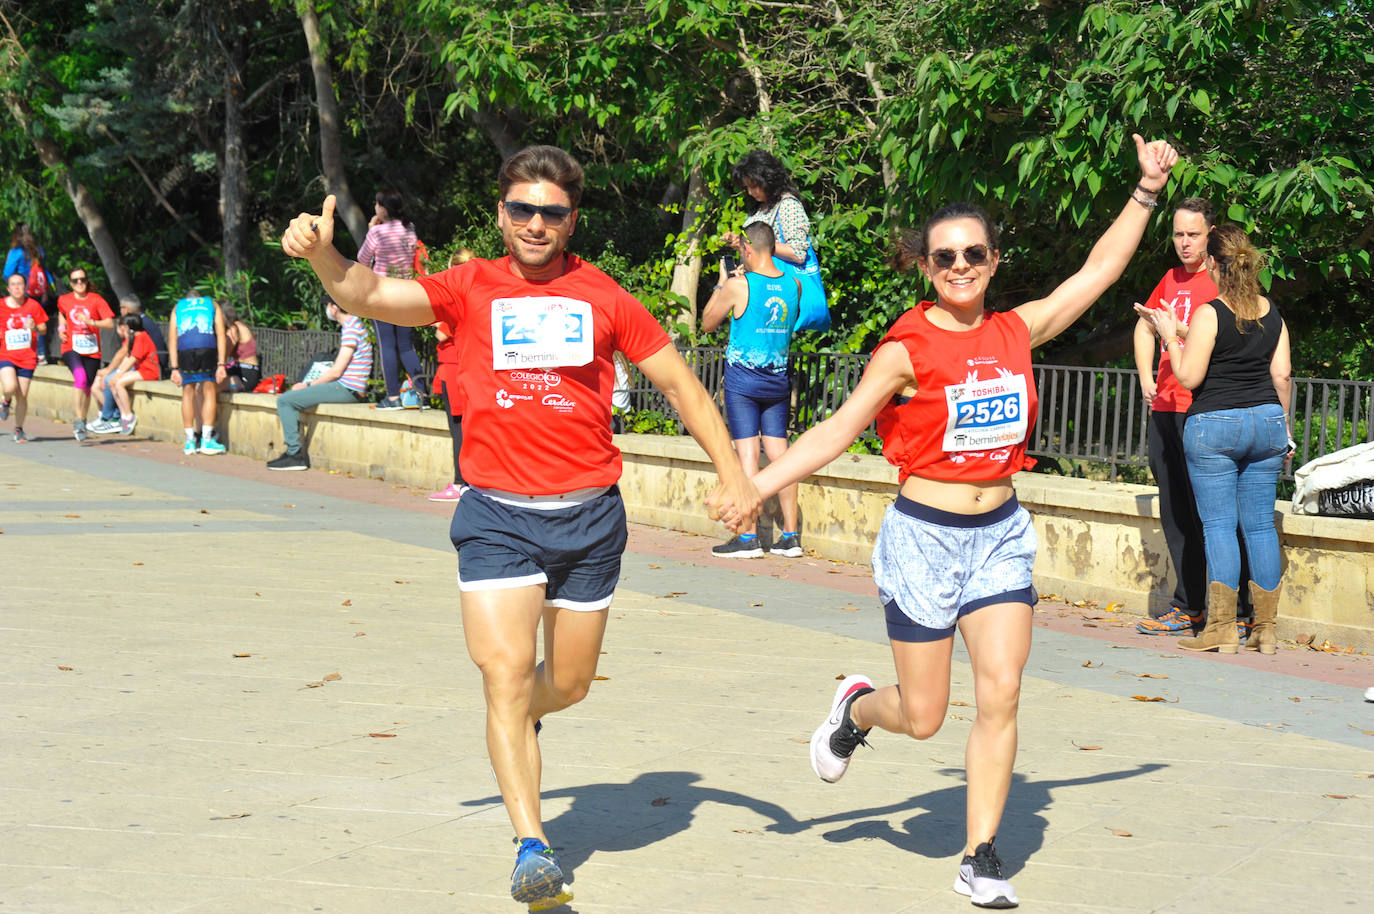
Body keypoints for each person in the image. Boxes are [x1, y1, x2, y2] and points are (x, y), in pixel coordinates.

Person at [280, 144, 760, 911]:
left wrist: (734, 474)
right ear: (502, 213)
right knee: (505, 676)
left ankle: (517, 721)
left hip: (591, 519)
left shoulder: (604, 295)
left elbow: (678, 383)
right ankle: (533, 845)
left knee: (565, 685)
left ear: (571, 221)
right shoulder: (468, 287)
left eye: (552, 213)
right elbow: (366, 291)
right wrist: (322, 252)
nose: (536, 225)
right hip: (498, 516)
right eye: (522, 210)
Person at [748, 135, 1177, 910]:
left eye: (972, 253)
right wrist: (757, 487)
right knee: (923, 716)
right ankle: (852, 712)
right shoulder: (905, 348)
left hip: (1000, 539)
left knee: (1002, 695)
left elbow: (1101, 271)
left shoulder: (1018, 330)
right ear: (925, 266)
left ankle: (979, 855)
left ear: (993, 260)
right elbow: (837, 429)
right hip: (924, 540)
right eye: (944, 257)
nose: (959, 267)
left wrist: (1146, 191)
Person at [1134, 224, 1291, 655]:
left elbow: (1188, 375)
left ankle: (1221, 629)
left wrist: (1169, 334)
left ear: (1214, 265)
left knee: (1219, 526)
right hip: (1267, 422)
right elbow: (1282, 375)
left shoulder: (1210, 311)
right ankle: (1266, 630)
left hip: (1216, 425)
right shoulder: (1270, 310)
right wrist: (1286, 430)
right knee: (1259, 526)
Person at [1132, 199, 1256, 637]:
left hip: (1203, 411)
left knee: (1219, 517)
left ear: (1210, 235)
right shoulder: (1169, 279)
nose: (1185, 243)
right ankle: (1190, 606)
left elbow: (1228, 341)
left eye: (1193, 235)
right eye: (1178, 235)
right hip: (1165, 409)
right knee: (1177, 514)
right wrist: (1146, 375)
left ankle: (1239, 611)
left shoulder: (1223, 282)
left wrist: (1177, 332)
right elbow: (1144, 323)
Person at [702, 221, 804, 558]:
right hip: (777, 379)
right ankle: (790, 536)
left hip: (743, 382)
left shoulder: (738, 285)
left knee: (748, 456)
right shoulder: (795, 285)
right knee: (782, 457)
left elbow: (707, 322)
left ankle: (747, 537)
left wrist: (721, 283)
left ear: (746, 249)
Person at [264, 294, 373, 471]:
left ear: (334, 307)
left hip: (347, 388)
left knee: (285, 400)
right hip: (348, 387)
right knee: (293, 398)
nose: (327, 310)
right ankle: (294, 452)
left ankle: (295, 454)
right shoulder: (355, 325)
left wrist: (307, 385)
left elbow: (336, 371)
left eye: (328, 305)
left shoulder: (352, 328)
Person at [725, 149, 826, 324]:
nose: (750, 192)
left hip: (780, 300)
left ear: (768, 180)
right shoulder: (760, 207)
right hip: (761, 297)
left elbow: (798, 253)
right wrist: (741, 244)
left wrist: (758, 246)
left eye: (754, 186)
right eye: (747, 187)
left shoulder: (787, 205)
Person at [357, 189, 426, 409]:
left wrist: (370, 230)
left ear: (383, 208)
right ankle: (422, 395)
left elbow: (362, 260)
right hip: (405, 293)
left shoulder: (377, 233)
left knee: (387, 345)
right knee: (406, 345)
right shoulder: (409, 228)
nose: (374, 208)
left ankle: (393, 397)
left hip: (382, 294)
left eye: (376, 204)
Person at [428, 248, 474, 502]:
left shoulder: (458, 297)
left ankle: (459, 482)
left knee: (458, 429)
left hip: (453, 367)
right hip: (462, 365)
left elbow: (442, 333)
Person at [55, 266, 116, 441]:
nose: (79, 283)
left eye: (82, 279)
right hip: (71, 347)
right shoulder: (64, 299)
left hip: (91, 349)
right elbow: (62, 313)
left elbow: (110, 323)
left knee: (87, 386)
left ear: (86, 281)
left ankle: (82, 419)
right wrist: (61, 328)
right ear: (70, 283)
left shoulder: (96, 300)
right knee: (80, 378)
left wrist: (91, 322)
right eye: (75, 280)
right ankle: (79, 420)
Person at [168, 291, 229, 455]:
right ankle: (207, 440)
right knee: (209, 392)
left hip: (185, 351)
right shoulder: (212, 303)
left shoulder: (178, 306)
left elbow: (173, 338)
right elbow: (221, 334)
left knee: (187, 393)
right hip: (206, 347)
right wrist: (221, 363)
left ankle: (190, 442)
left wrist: (174, 368)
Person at [0, 272, 49, 442]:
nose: (17, 287)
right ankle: (5, 401)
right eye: (13, 284)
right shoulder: (1, 306)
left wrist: (35, 327)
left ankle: (18, 429)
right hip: (6, 354)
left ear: (25, 286)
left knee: (22, 396)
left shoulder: (33, 306)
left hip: (28, 356)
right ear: (8, 288)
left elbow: (44, 329)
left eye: (20, 284)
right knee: (10, 387)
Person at [5, 224, 57, 363]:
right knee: (37, 321)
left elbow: (7, 273)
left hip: (23, 291)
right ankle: (41, 355)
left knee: (21, 319)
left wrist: (13, 285)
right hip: (39, 292)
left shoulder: (16, 251)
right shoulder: (38, 250)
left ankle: (26, 353)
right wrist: (45, 290)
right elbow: (44, 270)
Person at [106, 313, 160, 435]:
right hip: (142, 370)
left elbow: (133, 359)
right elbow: (128, 357)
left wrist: (119, 374)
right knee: (112, 382)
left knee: (119, 383)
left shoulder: (141, 337)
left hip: (149, 371)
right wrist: (118, 373)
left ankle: (129, 415)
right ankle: (123, 414)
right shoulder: (134, 338)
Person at [222, 305, 261, 392]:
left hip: (247, 373)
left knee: (214, 385)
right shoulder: (239, 325)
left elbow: (224, 354)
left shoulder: (234, 328)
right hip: (242, 370)